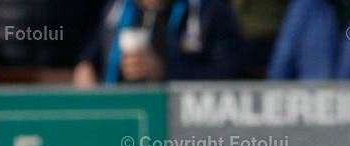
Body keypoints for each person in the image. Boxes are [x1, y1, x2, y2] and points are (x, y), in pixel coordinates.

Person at [73, 0, 245, 86]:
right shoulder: (117, 8)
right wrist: (85, 65)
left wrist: (165, 71)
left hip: (179, 127)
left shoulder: (208, 11)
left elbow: (232, 73)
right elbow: (94, 50)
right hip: (119, 116)